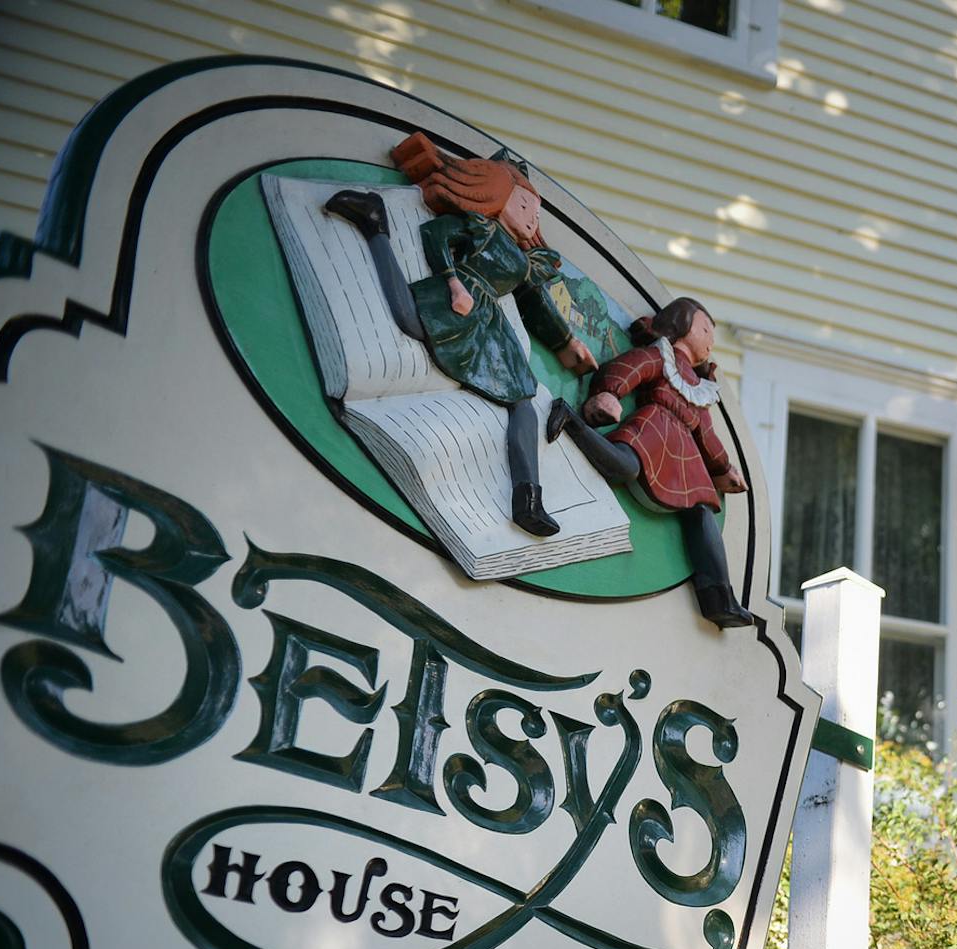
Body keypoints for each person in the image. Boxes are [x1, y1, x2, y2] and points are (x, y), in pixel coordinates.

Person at [323, 132, 595, 538]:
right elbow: (437, 236)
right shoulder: (482, 228)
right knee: (408, 320)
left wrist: (566, 341)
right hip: (461, 297)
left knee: (523, 400)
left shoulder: (523, 258)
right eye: (524, 205)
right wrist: (452, 283)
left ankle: (529, 498)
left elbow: (533, 300)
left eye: (535, 213)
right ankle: (373, 224)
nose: (531, 218)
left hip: (488, 324)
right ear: (497, 197)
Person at [544, 297, 754, 628]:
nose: (711, 340)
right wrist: (611, 392)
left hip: (684, 454)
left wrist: (723, 467)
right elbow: (630, 367)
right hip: (653, 429)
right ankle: (570, 422)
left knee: (701, 513)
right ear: (682, 327)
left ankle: (719, 598)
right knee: (626, 467)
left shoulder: (700, 389)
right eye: (704, 329)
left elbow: (707, 435)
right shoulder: (662, 355)